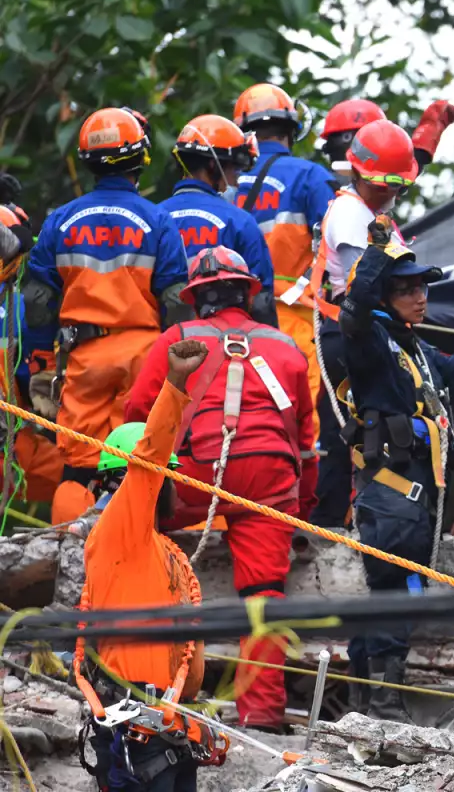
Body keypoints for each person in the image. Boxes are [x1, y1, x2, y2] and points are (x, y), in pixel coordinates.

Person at [124, 245, 316, 731]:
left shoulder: (177, 339)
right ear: (248, 294)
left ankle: (143, 687)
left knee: (135, 538)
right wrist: (303, 512)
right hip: (271, 480)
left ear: (195, 298)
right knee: (264, 594)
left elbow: (138, 418)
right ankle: (262, 714)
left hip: (197, 474)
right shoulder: (286, 346)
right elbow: (307, 443)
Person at [338, 214, 454, 721]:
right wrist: (375, 256)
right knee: (396, 590)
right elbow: (353, 311)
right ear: (385, 296)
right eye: (405, 289)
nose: (419, 297)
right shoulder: (369, 343)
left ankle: (367, 700)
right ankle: (383, 703)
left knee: (399, 590)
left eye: (422, 287)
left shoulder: (418, 350)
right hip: (389, 489)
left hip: (416, 494)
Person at [74, 338, 229, 791]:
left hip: (170, 724)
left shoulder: (164, 551)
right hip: (135, 727)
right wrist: (175, 383)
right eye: (169, 475)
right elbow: (147, 463)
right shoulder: (119, 534)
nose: (174, 485)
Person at [25, 107, 190, 524]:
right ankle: (143, 546)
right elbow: (176, 302)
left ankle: (71, 550)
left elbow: (38, 300)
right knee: (140, 456)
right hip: (145, 356)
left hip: (83, 357)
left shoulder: (61, 220)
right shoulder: (157, 220)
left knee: (79, 463)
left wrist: (41, 363)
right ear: (140, 158)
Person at [309, 107, 454, 531]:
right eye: (384, 184)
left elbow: (403, 169)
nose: (391, 192)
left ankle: (381, 518)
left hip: (374, 331)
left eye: (398, 184)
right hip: (349, 332)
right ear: (360, 174)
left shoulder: (374, 199)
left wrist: (429, 132)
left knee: (387, 426)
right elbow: (364, 288)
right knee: (349, 431)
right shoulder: (351, 217)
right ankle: (332, 523)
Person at [233, 83, 336, 421]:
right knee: (298, 423)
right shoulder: (311, 177)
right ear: (291, 131)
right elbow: (338, 247)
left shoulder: (224, 182)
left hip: (231, 322)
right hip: (294, 320)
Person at [161, 114, 276, 326]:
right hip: (226, 341)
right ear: (213, 166)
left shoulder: (155, 218)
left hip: (168, 341)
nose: (237, 180)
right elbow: (261, 302)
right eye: (234, 169)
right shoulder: (240, 222)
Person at [0, 205, 62, 508]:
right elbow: (28, 379)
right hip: (11, 450)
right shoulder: (18, 311)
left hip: (13, 445)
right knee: (77, 478)